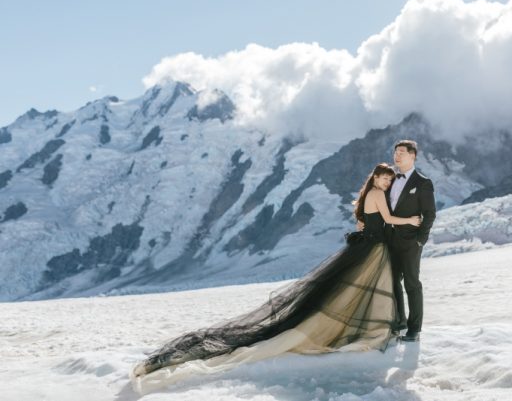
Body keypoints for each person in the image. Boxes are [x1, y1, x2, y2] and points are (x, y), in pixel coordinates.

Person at [129, 163, 420, 394]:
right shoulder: (378, 195)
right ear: (376, 179)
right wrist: (410, 220)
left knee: (358, 290)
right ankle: (384, 328)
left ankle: (384, 327)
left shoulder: (369, 194)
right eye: (383, 178)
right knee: (369, 290)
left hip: (369, 246)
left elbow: (365, 220)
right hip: (374, 248)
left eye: (389, 180)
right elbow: (389, 220)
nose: (386, 183)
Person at [387, 140, 436, 343]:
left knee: (412, 284)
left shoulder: (423, 182)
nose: (397, 156)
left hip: (411, 242)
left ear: (412, 155)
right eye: (395, 152)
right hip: (389, 240)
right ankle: (399, 323)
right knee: (392, 282)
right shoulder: (390, 179)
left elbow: (430, 214)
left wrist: (420, 241)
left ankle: (414, 330)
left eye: (401, 153)